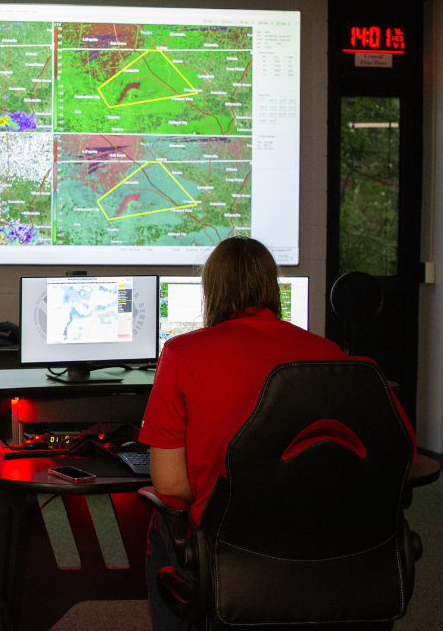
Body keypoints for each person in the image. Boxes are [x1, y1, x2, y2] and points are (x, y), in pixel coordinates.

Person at [138, 237, 413, 630]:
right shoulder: (330, 352)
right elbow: (397, 458)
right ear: (272, 287)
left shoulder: (182, 353)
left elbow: (170, 483)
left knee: (160, 526)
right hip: (331, 541)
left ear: (210, 291)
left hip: (232, 555)